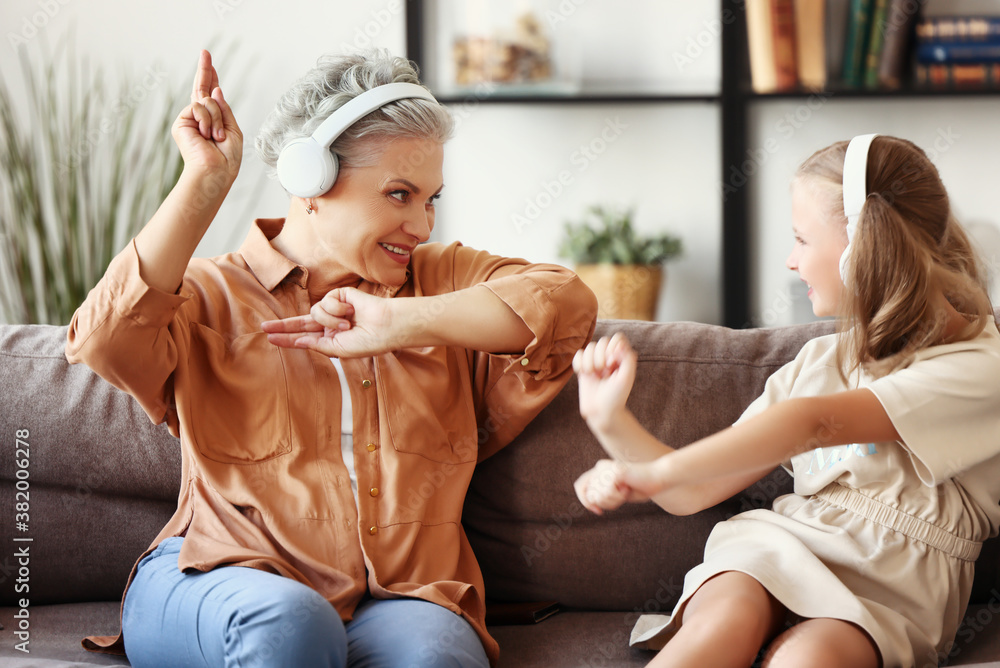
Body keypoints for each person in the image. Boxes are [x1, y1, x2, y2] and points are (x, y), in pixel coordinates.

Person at [66, 48, 597, 667]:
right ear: (310, 182)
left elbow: (565, 304)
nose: (422, 223)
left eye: (430, 199)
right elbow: (102, 339)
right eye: (399, 194)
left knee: (437, 657)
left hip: (399, 596)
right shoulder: (209, 295)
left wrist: (400, 322)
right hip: (218, 573)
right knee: (292, 624)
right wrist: (204, 183)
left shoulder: (441, 281)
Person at [572, 134, 1000, 668]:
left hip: (897, 586)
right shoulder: (820, 361)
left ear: (861, 250)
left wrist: (654, 476)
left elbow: (814, 423)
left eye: (801, 239)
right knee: (724, 623)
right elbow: (693, 490)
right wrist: (607, 418)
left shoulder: (981, 365)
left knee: (810, 659)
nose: (791, 261)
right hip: (783, 542)